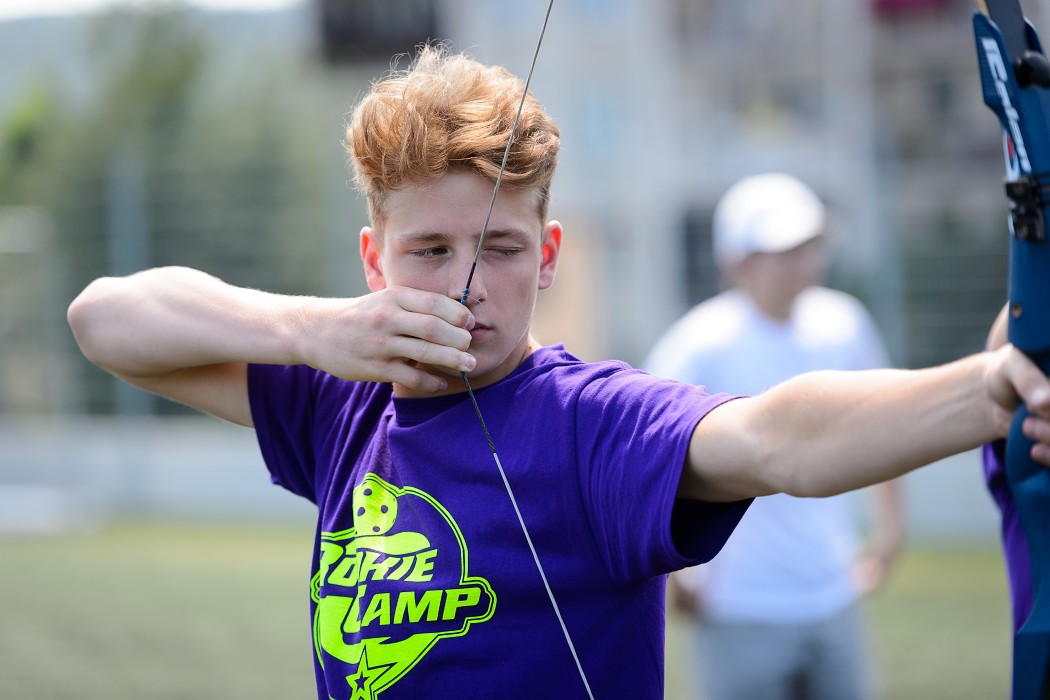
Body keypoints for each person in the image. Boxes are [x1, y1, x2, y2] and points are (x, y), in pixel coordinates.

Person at [66, 44, 1050, 700]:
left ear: (548, 254)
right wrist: (311, 329)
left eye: (498, 248)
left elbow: (775, 438)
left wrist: (988, 387)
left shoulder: (590, 425)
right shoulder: (338, 393)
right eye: (428, 251)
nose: (463, 288)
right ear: (374, 260)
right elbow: (104, 319)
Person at [644, 173, 903, 700]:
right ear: (737, 261)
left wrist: (890, 533)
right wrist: (677, 576)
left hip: (834, 594)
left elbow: (888, 424)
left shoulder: (844, 324)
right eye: (783, 250)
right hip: (739, 606)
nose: (802, 263)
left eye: (809, 247)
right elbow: (647, 459)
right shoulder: (697, 344)